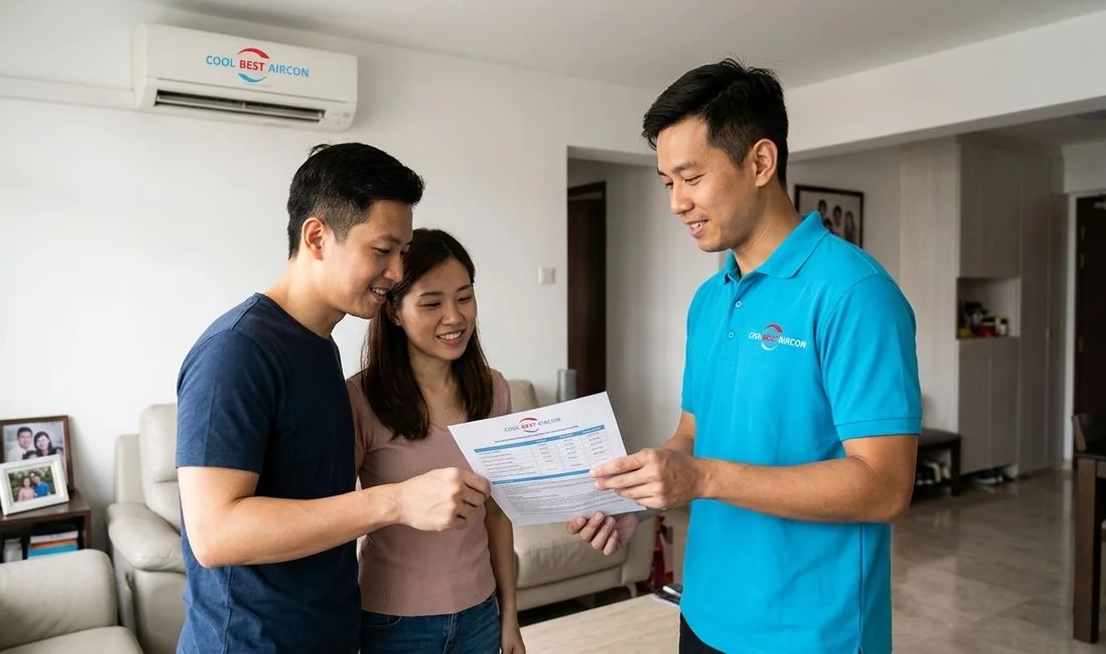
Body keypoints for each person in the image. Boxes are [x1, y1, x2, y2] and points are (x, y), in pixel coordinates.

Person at [567, 59, 921, 654]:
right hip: (703, 611)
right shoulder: (710, 299)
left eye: (691, 177)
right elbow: (691, 433)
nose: (677, 202)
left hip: (811, 633)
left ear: (760, 162)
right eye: (666, 183)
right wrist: (644, 492)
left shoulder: (856, 294)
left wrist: (702, 477)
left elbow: (885, 488)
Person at [174, 143, 493, 654]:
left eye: (402, 253)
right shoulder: (236, 352)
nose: (395, 273)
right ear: (317, 236)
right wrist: (396, 500)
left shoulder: (321, 347)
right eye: (382, 251)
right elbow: (215, 534)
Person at [347, 228, 525, 654]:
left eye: (464, 298)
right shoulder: (360, 398)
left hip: (480, 613)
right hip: (391, 622)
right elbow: (339, 516)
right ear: (393, 311)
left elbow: (498, 516)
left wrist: (510, 617)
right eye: (431, 303)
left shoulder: (493, 389)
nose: (454, 317)